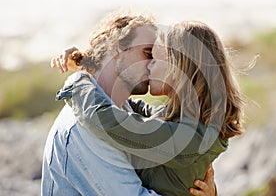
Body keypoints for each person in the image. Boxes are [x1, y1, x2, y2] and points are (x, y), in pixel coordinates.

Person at [55, 20, 245, 195]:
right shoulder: (190, 122)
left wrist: (78, 81)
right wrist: (87, 64)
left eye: (153, 59)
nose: (148, 67)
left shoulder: (186, 137)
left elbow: (109, 121)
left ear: (177, 68)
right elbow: (141, 111)